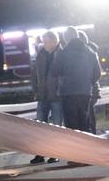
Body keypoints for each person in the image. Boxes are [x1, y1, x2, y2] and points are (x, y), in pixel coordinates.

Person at [51, 26, 102, 137]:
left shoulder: (63, 53)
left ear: (66, 38)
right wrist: (88, 83)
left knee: (72, 126)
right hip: (85, 92)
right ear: (77, 36)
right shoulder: (91, 52)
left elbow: (54, 72)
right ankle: (87, 150)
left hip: (68, 93)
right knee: (84, 123)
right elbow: (97, 73)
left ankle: (76, 151)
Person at [30, 30, 63, 164]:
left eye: (45, 41)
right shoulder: (41, 54)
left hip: (56, 96)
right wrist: (35, 89)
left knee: (56, 127)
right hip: (42, 95)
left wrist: (61, 90)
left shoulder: (62, 54)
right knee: (40, 127)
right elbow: (34, 73)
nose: (43, 44)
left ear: (54, 41)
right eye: (43, 41)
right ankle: (40, 154)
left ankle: (55, 154)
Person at [78, 30, 104, 134]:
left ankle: (92, 135)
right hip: (91, 89)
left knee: (89, 115)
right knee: (89, 114)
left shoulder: (89, 52)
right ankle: (91, 134)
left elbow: (97, 72)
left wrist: (88, 83)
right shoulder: (90, 51)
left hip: (90, 89)